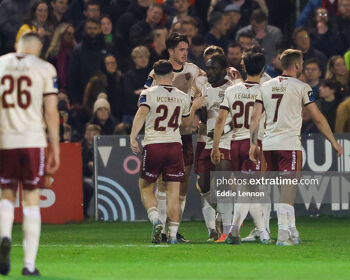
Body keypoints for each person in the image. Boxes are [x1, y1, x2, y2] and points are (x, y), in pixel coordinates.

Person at [249, 49, 343, 245]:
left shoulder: (265, 86)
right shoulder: (302, 87)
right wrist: (333, 141)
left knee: (267, 188)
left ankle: (289, 229)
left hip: (268, 144)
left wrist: (252, 144)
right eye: (301, 62)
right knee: (288, 190)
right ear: (297, 64)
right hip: (289, 144)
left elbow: (254, 118)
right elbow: (317, 118)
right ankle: (283, 234)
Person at [0, 32, 60, 276]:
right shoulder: (45, 68)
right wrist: (55, 145)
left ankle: (4, 236)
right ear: (38, 48)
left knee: (5, 195)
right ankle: (28, 265)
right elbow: (51, 110)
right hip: (33, 140)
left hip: (5, 140)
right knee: (31, 198)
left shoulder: (1, 63)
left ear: (18, 45)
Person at [130, 60, 204, 244]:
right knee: (173, 192)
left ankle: (156, 220)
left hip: (154, 145)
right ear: (172, 76)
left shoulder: (148, 93)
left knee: (146, 187)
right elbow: (186, 124)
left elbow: (141, 114)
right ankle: (172, 236)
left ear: (154, 76)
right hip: (174, 146)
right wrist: (194, 106)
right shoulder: (183, 96)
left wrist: (133, 136)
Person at [145, 33, 207, 242]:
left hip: (185, 134)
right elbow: (147, 96)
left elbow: (208, 85)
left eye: (186, 49)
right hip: (165, 135)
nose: (185, 53)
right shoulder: (157, 72)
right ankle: (164, 230)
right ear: (170, 51)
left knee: (180, 185)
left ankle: (173, 230)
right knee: (164, 184)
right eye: (181, 49)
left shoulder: (193, 70)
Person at [211, 49, 271, 245]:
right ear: (263, 69)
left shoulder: (231, 90)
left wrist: (216, 146)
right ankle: (261, 232)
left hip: (235, 143)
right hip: (254, 143)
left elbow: (220, 120)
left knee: (245, 190)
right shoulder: (265, 91)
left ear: (244, 67)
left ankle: (237, 231)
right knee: (253, 192)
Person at [195, 54, 234, 243]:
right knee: (202, 186)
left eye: (213, 68)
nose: (209, 71)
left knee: (224, 186)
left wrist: (222, 130)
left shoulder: (232, 89)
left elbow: (239, 120)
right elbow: (205, 118)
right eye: (208, 68)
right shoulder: (205, 89)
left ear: (224, 70)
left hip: (226, 141)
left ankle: (227, 231)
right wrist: (200, 111)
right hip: (208, 143)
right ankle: (222, 213)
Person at [68, 19, 107, 105]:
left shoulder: (107, 47)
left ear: (100, 29)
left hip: (104, 92)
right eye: (89, 28)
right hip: (82, 95)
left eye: (95, 28)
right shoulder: (77, 50)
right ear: (85, 30)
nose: (92, 31)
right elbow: (73, 77)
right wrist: (75, 101)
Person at [46, 23, 76, 91]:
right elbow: (51, 76)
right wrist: (57, 90)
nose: (71, 36)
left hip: (72, 91)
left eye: (72, 34)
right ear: (61, 34)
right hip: (56, 90)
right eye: (68, 33)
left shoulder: (75, 53)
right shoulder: (52, 54)